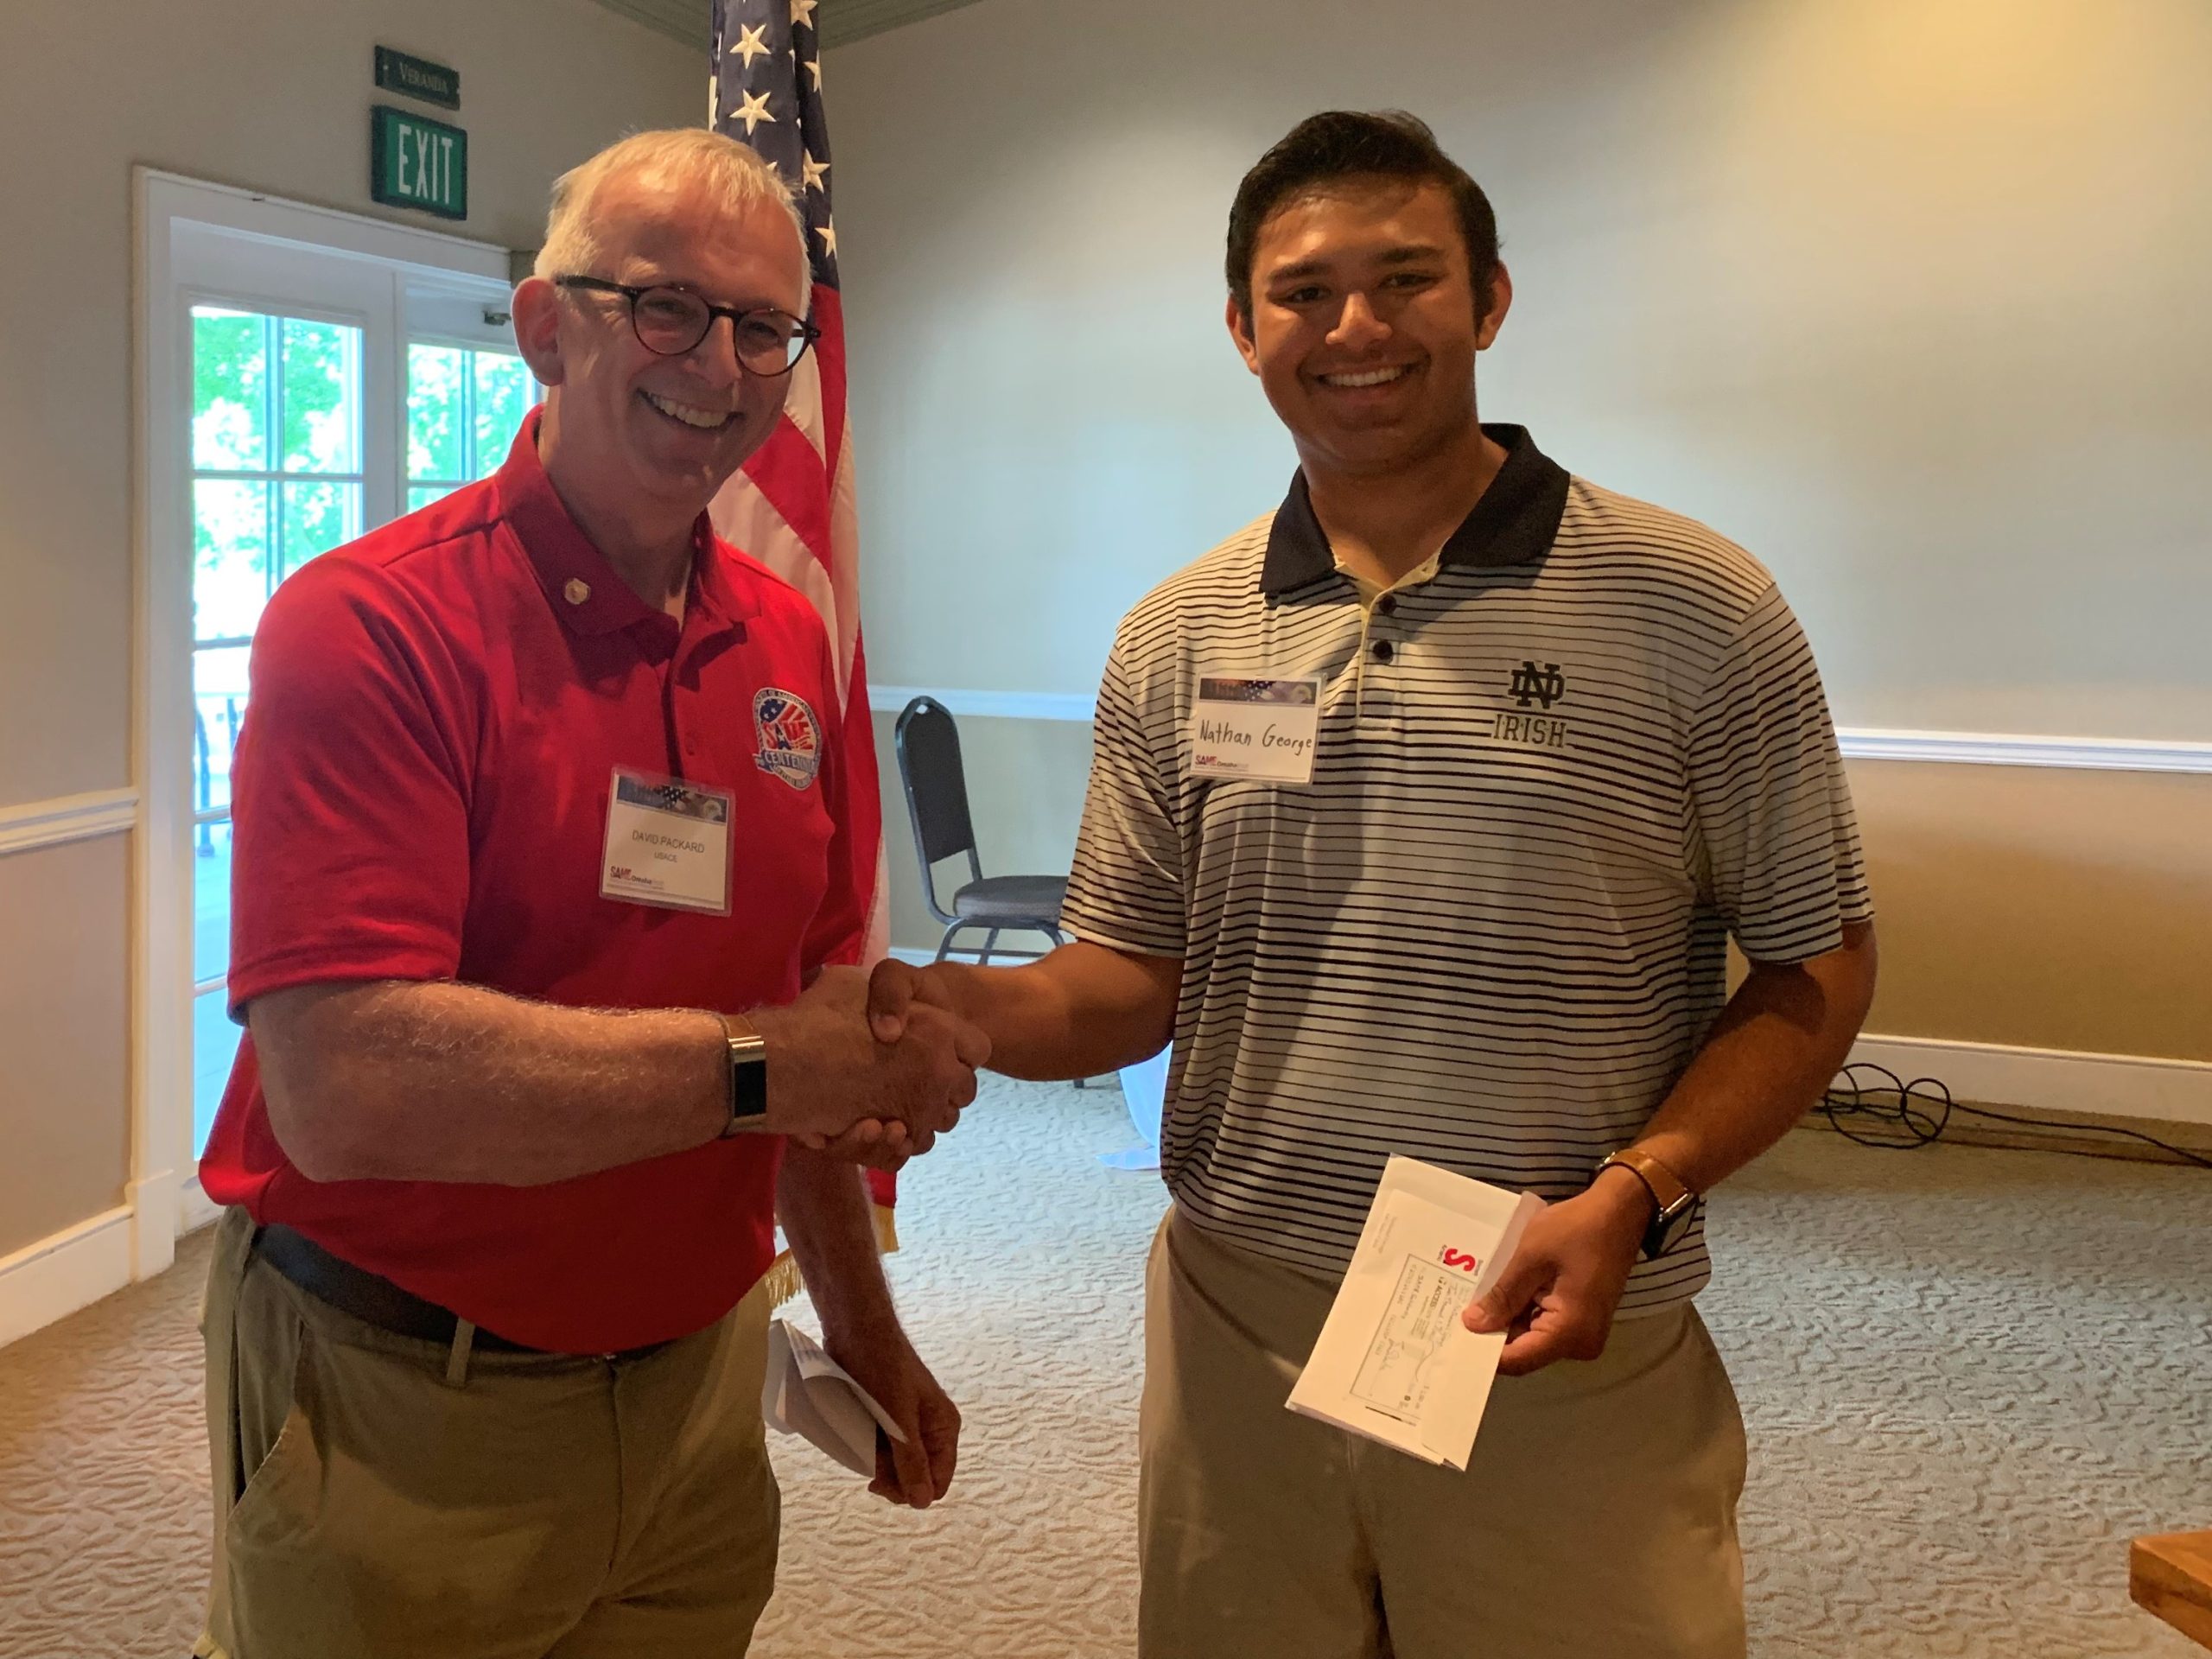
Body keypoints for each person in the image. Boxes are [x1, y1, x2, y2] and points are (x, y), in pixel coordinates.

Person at [868, 110, 1878, 1658]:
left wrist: (1642, 1191)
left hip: (1545, 1312)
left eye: (1406, 279)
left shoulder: (1694, 604)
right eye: (1304, 291)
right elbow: (1129, 976)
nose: (1355, 327)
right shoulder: (1180, 631)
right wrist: (956, 1011)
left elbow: (1817, 966)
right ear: (1242, 329)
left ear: (1490, 300)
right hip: (1239, 1316)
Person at [193, 128, 980, 1659]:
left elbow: (807, 1020)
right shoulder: (369, 626)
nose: (722, 365)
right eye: (668, 307)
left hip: (700, 1397)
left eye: (765, 327)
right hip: (407, 1399)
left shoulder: (782, 637)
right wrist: (766, 1068)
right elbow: (344, 1087)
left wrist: (862, 1324)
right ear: (548, 329)